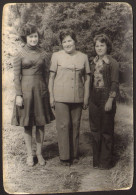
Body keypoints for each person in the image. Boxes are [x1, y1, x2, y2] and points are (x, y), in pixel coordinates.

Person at [11, 24, 55, 166]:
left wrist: (48, 91)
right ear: (25, 38)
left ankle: (39, 153)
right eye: (30, 37)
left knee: (41, 124)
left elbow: (47, 74)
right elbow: (16, 77)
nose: (33, 39)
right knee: (27, 124)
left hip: (41, 92)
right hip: (25, 93)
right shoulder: (19, 54)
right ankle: (30, 155)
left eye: (35, 36)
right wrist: (18, 95)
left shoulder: (44, 54)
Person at [49, 29, 90, 166]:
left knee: (76, 125)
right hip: (60, 97)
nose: (67, 44)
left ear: (75, 41)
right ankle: (64, 157)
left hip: (77, 97)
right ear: (61, 43)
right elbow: (51, 77)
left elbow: (87, 78)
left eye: (69, 40)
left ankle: (74, 154)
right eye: (64, 41)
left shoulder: (83, 57)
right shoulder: (56, 56)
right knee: (63, 125)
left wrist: (86, 97)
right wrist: (51, 96)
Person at [89, 34, 119, 169]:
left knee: (106, 130)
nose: (99, 48)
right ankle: (97, 161)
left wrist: (110, 100)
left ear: (107, 46)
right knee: (95, 129)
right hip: (94, 98)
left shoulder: (112, 63)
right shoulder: (93, 62)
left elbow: (114, 83)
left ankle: (106, 163)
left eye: (102, 45)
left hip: (107, 97)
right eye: (97, 45)